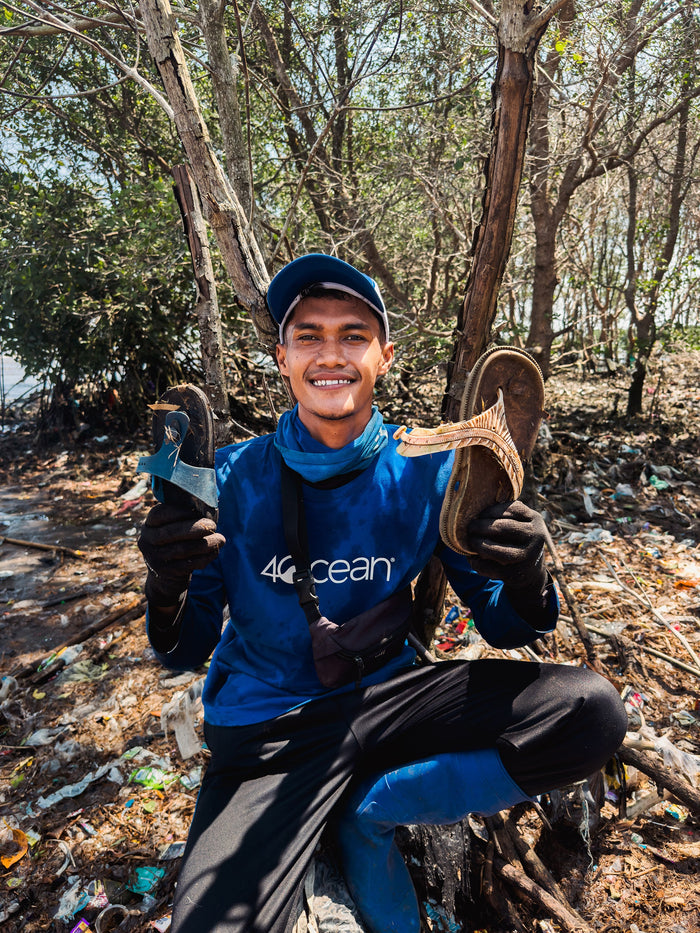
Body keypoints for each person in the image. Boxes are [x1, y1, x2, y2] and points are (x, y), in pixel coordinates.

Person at [138, 254, 627, 933]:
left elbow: (504, 624)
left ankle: (373, 807)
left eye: (353, 335)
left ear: (384, 357)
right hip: (269, 728)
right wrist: (165, 583)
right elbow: (182, 648)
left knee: (592, 712)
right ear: (282, 358)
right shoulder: (229, 478)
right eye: (308, 336)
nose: (329, 355)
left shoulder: (427, 467)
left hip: (389, 702)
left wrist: (526, 574)